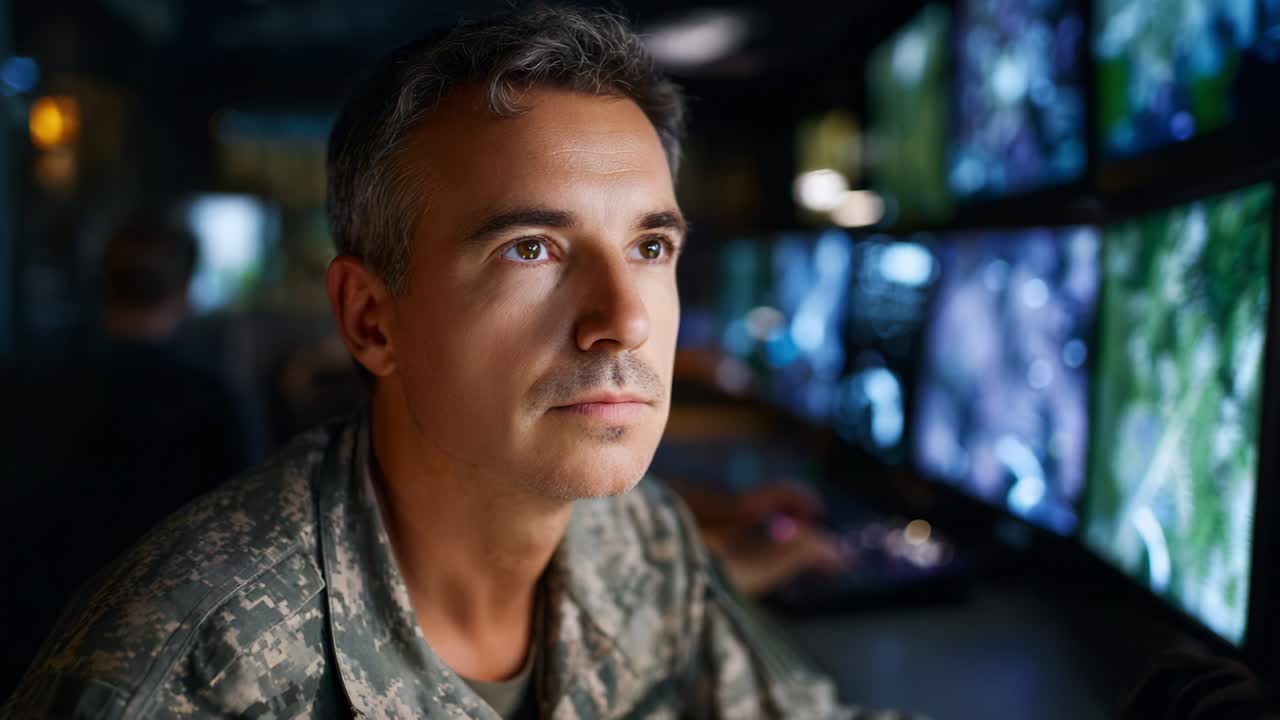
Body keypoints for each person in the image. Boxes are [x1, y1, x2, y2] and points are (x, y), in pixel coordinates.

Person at [3, 7, 884, 718]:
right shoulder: (192, 675)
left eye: (650, 247)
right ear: (372, 320)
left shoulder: (634, 538)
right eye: (532, 249)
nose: (625, 323)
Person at [0, 213, 256, 700]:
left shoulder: (24, 386)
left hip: (25, 652)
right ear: (184, 290)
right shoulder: (209, 401)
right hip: (153, 664)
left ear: (101, 283)